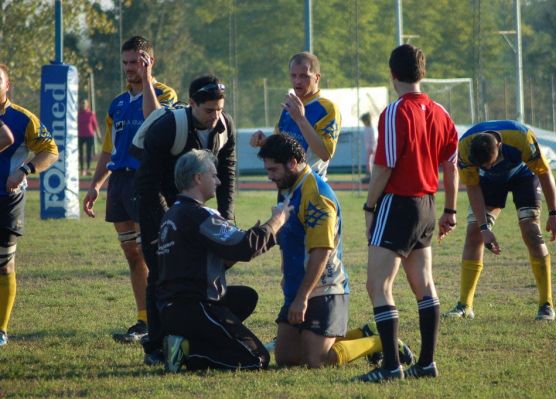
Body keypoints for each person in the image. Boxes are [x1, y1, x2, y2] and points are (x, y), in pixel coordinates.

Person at [257, 134, 415, 369]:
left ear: (292, 162)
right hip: (298, 287)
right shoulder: (290, 187)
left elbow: (322, 251)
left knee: (317, 359)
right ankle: (364, 332)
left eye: (273, 170)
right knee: (287, 359)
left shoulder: (316, 196)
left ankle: (380, 340)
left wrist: (302, 298)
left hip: (325, 288)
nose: (270, 176)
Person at [354, 44, 459, 382]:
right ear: (422, 73)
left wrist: (370, 206)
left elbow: (384, 166)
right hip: (428, 204)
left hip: (398, 203)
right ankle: (426, 363)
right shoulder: (441, 111)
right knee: (424, 285)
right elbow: (451, 167)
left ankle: (390, 367)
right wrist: (450, 210)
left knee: (378, 285)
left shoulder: (395, 111)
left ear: (392, 74)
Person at [157, 149, 291, 372]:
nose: (219, 181)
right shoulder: (198, 215)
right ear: (198, 178)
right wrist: (277, 221)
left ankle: (186, 341)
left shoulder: (173, 213)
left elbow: (210, 257)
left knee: (245, 297)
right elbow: (245, 247)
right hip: (194, 306)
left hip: (172, 309)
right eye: (214, 175)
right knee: (256, 359)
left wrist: (248, 238)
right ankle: (188, 354)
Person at [134, 74, 236, 364]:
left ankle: (201, 335)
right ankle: (155, 346)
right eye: (208, 110)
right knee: (161, 276)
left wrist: (227, 217)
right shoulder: (167, 128)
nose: (215, 117)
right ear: (191, 104)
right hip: (157, 204)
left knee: (205, 271)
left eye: (219, 108)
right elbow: (147, 183)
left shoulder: (225, 125)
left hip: (194, 208)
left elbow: (227, 173)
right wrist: (169, 224)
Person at [82, 36, 177, 344]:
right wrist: (95, 185)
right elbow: (108, 150)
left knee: (153, 252)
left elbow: (155, 120)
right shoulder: (117, 103)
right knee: (132, 253)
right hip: (120, 183)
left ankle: (164, 317)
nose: (129, 69)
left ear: (149, 61)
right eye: (125, 63)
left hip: (147, 180)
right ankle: (143, 319)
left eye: (135, 62)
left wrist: (147, 80)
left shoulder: (164, 93)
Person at [444, 121, 556, 321]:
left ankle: (546, 304)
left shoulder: (522, 139)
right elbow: (472, 187)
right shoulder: (464, 148)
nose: (488, 167)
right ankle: (465, 305)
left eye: (490, 163)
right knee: (474, 234)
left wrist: (553, 213)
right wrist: (484, 228)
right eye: (483, 165)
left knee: (531, 231)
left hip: (524, 175)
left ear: (499, 146)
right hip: (489, 182)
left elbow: (543, 172)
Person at [0, 63, 59, 346]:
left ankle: (1, 329)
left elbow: (50, 150)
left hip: (7, 200)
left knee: (4, 264)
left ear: (7, 86)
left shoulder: (23, 119)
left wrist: (24, 170)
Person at [250, 52, 341, 179]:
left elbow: (325, 153)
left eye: (304, 76)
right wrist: (264, 141)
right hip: (286, 183)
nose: (297, 81)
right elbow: (281, 145)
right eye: (293, 76)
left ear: (317, 78)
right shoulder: (290, 106)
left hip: (312, 184)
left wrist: (300, 119)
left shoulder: (328, 108)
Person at [77, 99, 98, 176]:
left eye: (84, 103)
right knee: (81, 153)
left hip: (89, 135)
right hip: (80, 136)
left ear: (87, 104)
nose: (83, 105)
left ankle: (88, 169)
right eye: (82, 103)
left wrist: (98, 135)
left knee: (89, 153)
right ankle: (82, 169)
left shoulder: (91, 113)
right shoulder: (77, 114)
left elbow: (95, 124)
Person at [361, 112, 377, 184]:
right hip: (368, 147)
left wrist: (373, 147)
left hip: (372, 147)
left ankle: (371, 174)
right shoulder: (366, 128)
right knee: (368, 161)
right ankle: (369, 173)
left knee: (370, 161)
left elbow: (373, 139)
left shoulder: (372, 128)